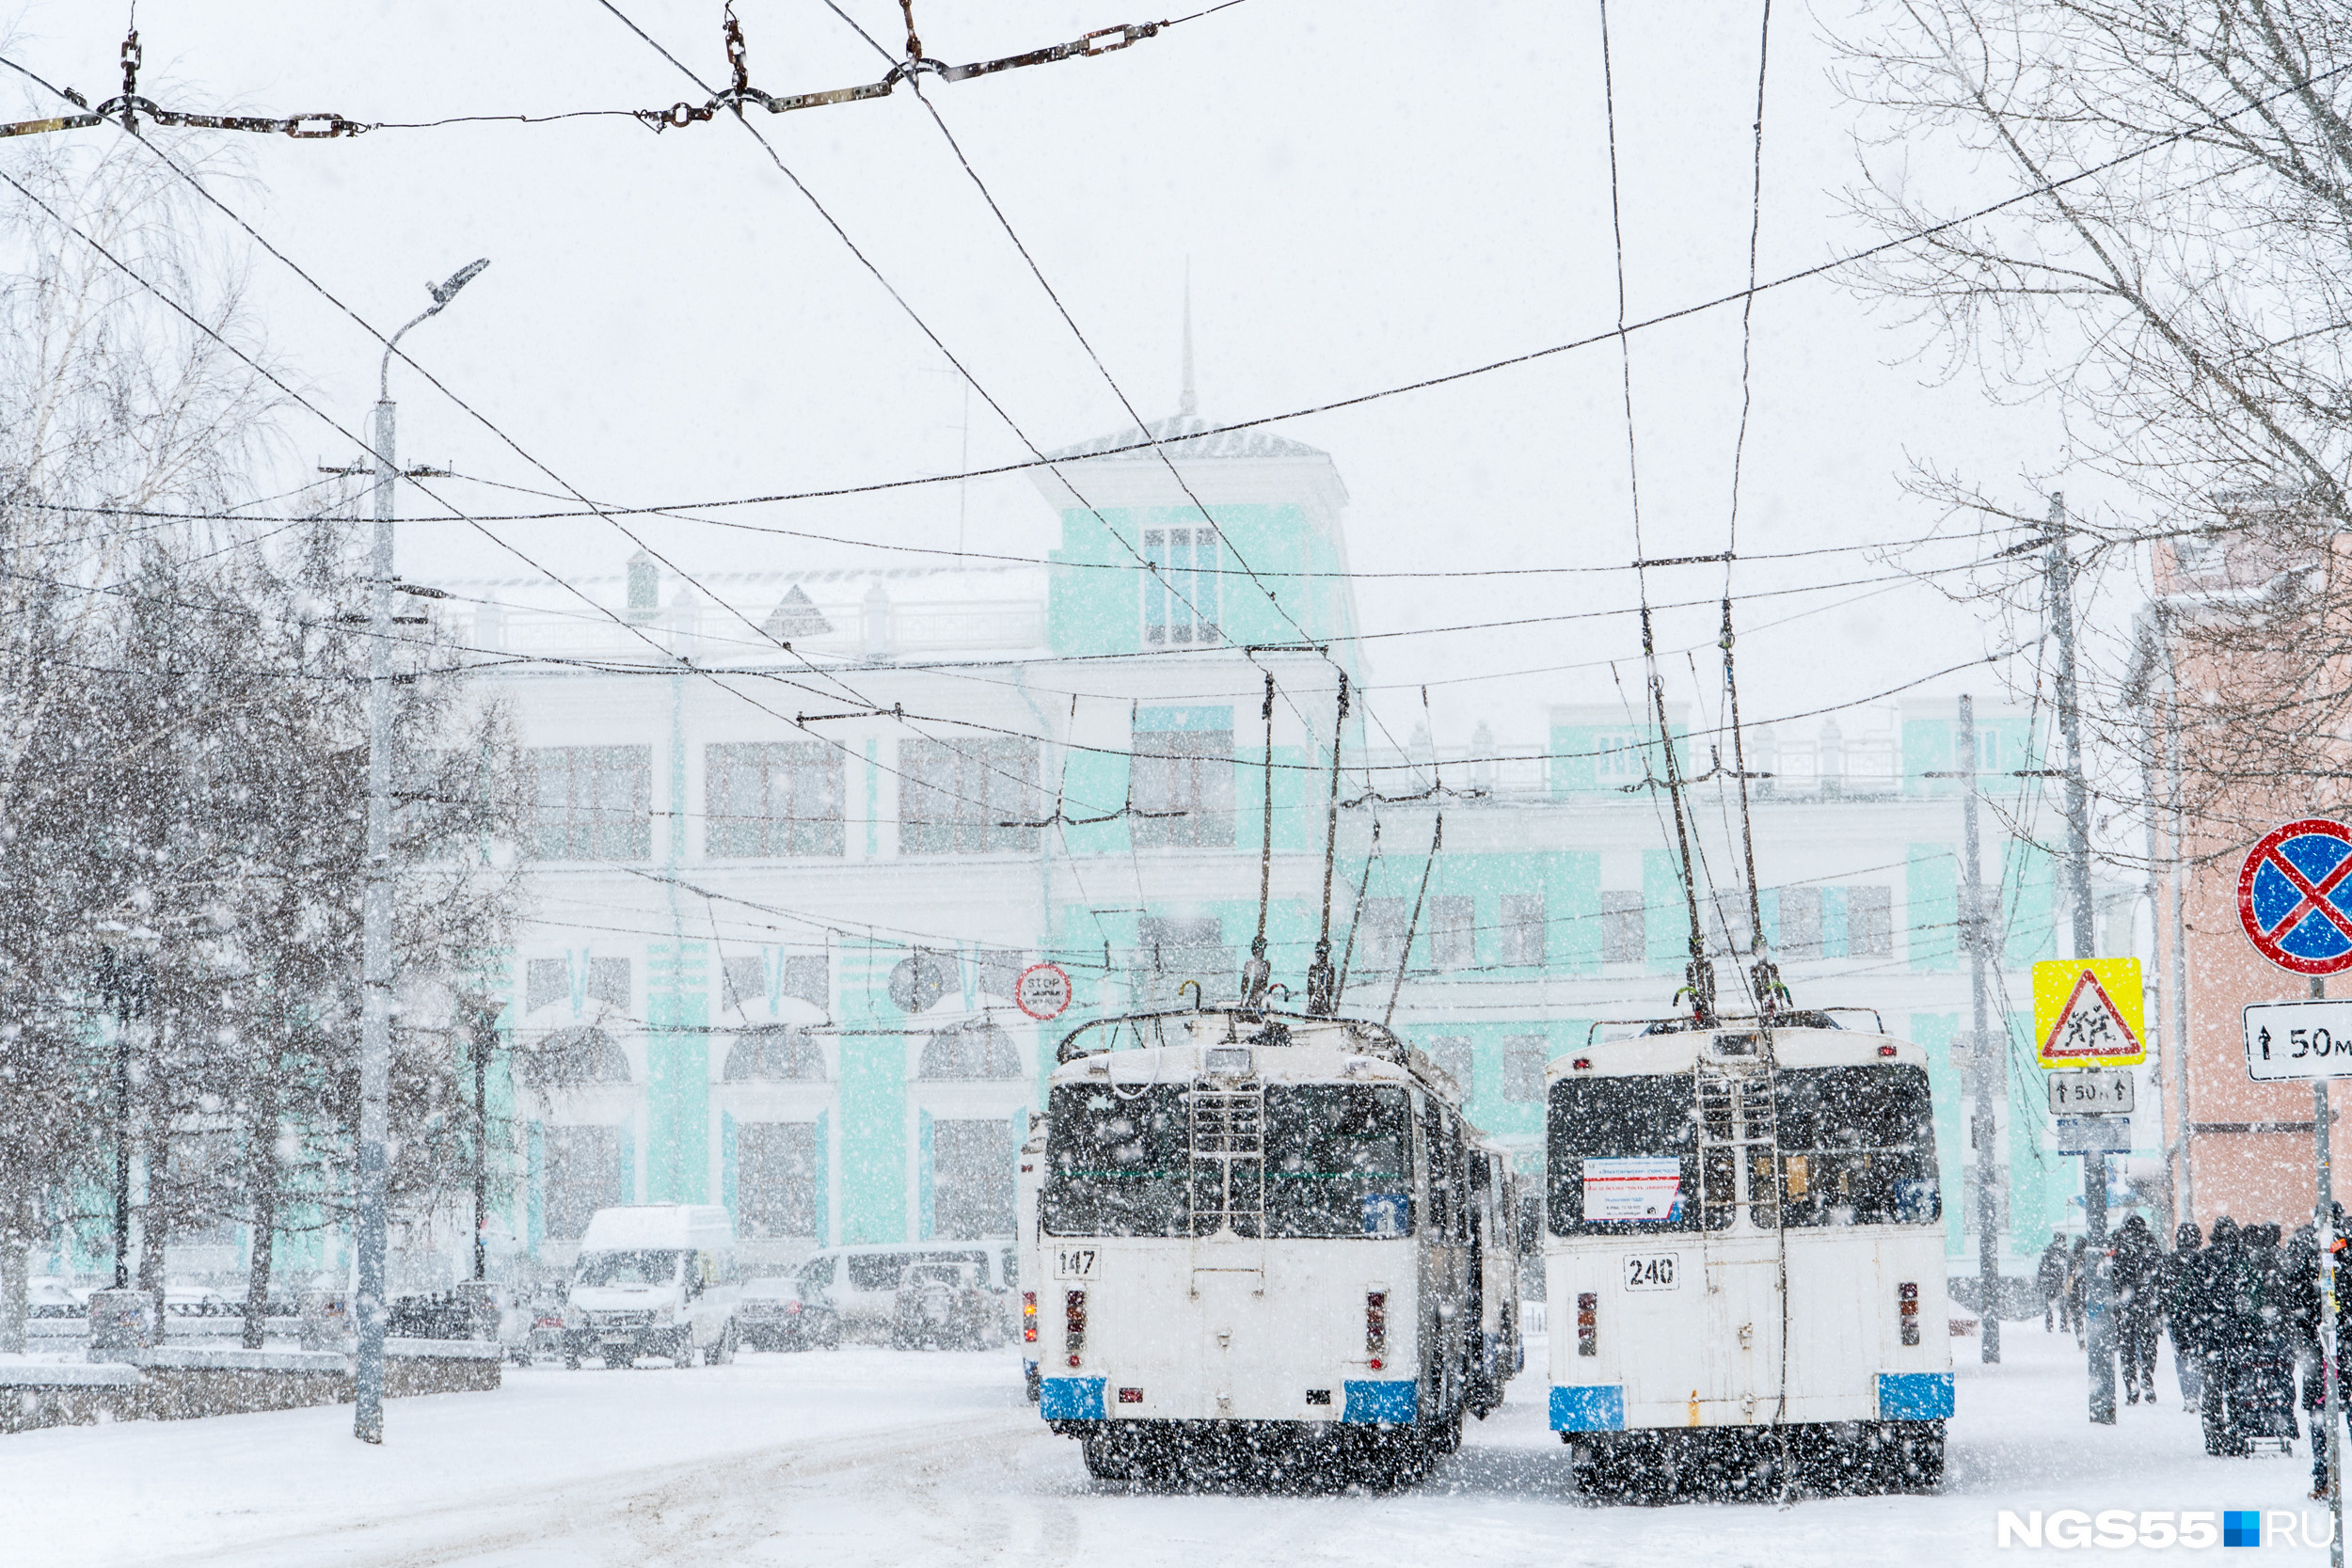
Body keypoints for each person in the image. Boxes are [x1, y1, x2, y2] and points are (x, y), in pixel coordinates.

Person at [2201, 1215, 2249, 1456]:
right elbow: (2252, 1298)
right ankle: (2237, 1434)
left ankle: (2214, 1437)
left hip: (2211, 1336)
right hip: (2240, 1337)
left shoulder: (2205, 1259)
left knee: (2212, 1390)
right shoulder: (2243, 1260)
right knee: (2237, 1388)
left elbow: (2192, 1299)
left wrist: (2196, 1329)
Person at [2111, 1213, 2162, 1405]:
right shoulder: (2150, 1242)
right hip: (2147, 1304)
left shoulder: (2118, 1241)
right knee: (2149, 1346)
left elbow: (2112, 1274)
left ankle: (2131, 1386)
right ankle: (2147, 1378)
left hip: (2125, 1305)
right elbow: (2158, 1274)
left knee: (2127, 1348)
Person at [2162, 1221, 2206, 1409]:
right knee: (2197, 1353)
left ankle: (2188, 1395)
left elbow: (2162, 1289)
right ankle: (2196, 1392)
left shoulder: (2169, 1260)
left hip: (2176, 1316)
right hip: (2198, 1314)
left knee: (2181, 1355)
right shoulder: (2203, 1259)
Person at [2040, 1232, 2071, 1333]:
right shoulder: (2066, 1250)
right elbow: (2069, 1265)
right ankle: (2063, 1325)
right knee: (2064, 1303)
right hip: (2061, 1280)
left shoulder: (2048, 1250)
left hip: (2050, 1280)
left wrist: (2042, 1280)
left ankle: (2049, 1324)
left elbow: (2042, 1266)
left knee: (2049, 1303)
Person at [2068, 1236, 2090, 1346]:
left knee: (2077, 1318)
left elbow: (2069, 1277)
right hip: (2086, 1292)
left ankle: (2080, 1340)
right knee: (2090, 1317)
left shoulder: (2072, 1258)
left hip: (2074, 1292)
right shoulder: (2088, 1257)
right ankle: (2090, 1340)